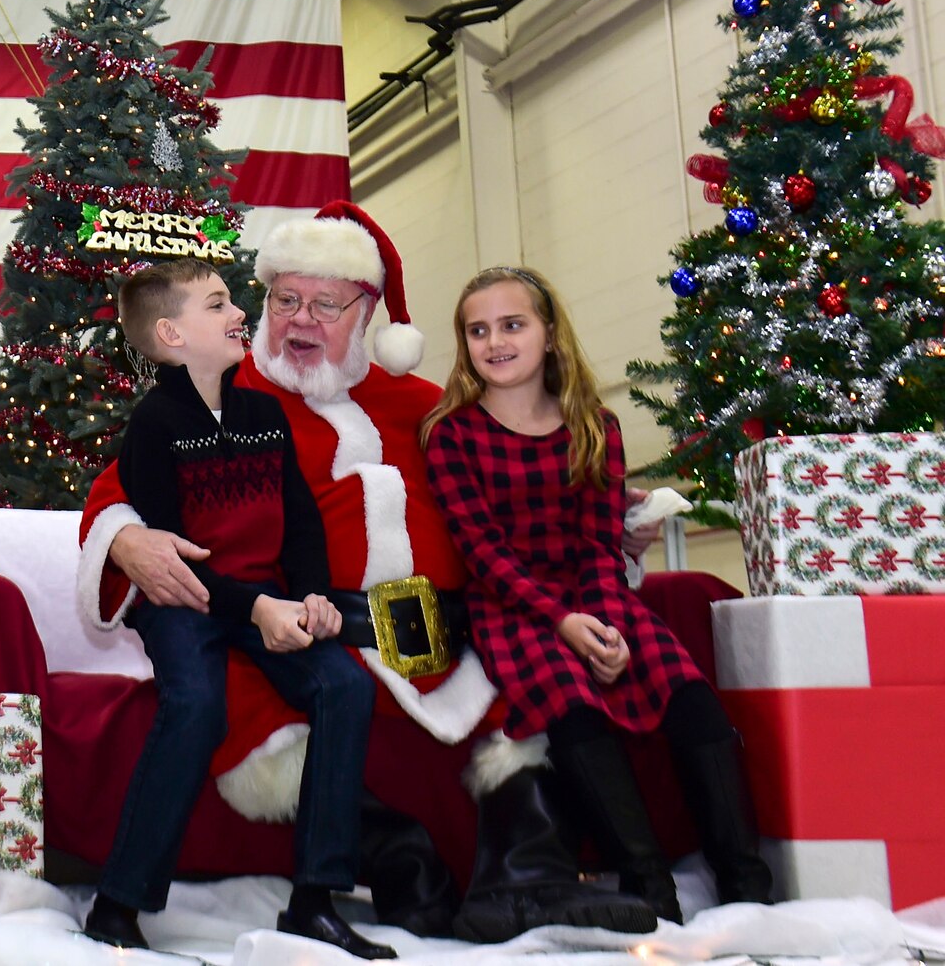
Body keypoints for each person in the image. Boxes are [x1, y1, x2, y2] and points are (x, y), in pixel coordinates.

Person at [79, 203, 654, 942]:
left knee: (525, 692)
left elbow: (523, 492)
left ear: (370, 311)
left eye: (326, 303)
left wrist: (612, 522)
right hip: (307, 629)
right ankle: (402, 868)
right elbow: (114, 493)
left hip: (448, 638)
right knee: (274, 724)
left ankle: (526, 878)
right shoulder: (220, 394)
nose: (300, 320)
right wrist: (127, 540)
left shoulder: (429, 406)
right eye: (284, 299)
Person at [420, 265, 774, 923]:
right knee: (573, 703)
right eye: (478, 330)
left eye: (512, 324)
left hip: (594, 591)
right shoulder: (453, 433)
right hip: (514, 607)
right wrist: (564, 623)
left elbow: (597, 544)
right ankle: (649, 886)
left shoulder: (594, 423)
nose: (494, 340)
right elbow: (484, 553)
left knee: (689, 695)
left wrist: (607, 624)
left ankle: (746, 884)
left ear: (550, 334)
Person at [82, 259, 393, 960]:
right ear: (171, 334)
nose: (238, 312)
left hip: (263, 594)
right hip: (186, 602)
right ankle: (117, 901)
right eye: (218, 302)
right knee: (195, 706)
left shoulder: (263, 413)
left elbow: (302, 518)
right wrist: (255, 607)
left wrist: (310, 591)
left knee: (344, 684)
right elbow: (175, 556)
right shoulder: (155, 424)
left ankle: (315, 899)